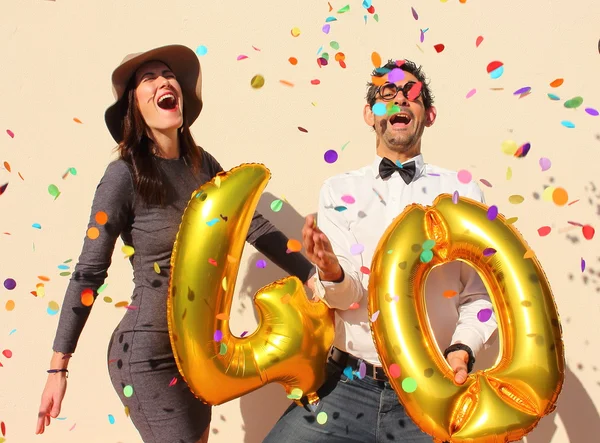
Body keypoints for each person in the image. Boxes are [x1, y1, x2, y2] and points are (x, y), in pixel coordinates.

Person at [34, 44, 316, 443]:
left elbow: (251, 224)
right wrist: (57, 369)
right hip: (147, 356)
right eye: (148, 78)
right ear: (134, 106)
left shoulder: (203, 165)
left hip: (199, 355)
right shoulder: (122, 177)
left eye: (167, 75)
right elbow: (88, 271)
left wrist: (312, 276)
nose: (164, 81)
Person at [263, 59, 499, 442]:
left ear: (430, 114)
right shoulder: (337, 191)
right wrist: (330, 270)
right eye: (386, 94)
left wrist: (462, 350)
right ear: (370, 114)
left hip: (431, 388)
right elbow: (348, 294)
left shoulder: (463, 195)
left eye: (412, 94)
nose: (399, 100)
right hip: (345, 385)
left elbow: (480, 295)